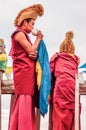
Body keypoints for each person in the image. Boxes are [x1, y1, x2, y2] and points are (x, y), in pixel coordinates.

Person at [9, 4, 44, 130]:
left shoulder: (25, 35)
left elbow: (32, 53)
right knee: (24, 100)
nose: (33, 27)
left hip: (27, 73)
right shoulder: (19, 34)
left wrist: (33, 53)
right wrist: (38, 39)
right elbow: (30, 51)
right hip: (23, 74)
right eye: (32, 23)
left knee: (26, 101)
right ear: (25, 22)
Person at [49, 31, 81, 130]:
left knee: (59, 116)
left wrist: (49, 93)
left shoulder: (57, 57)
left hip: (60, 86)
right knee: (73, 113)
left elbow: (49, 74)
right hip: (73, 87)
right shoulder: (76, 59)